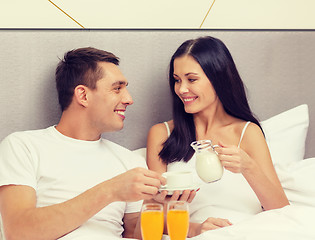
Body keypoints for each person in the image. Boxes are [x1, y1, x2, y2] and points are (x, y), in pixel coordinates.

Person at [0, 47, 166, 240]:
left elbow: (134, 233)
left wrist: (158, 203)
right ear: (83, 96)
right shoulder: (23, 146)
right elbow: (19, 232)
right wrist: (110, 190)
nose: (129, 99)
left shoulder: (129, 162)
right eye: (117, 88)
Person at [146, 36, 290, 232]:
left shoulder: (247, 132)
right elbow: (152, 216)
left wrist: (248, 167)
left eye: (192, 79)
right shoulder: (162, 134)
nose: (181, 89)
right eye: (177, 80)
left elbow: (281, 210)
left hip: (246, 231)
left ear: (218, 78)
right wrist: (196, 229)